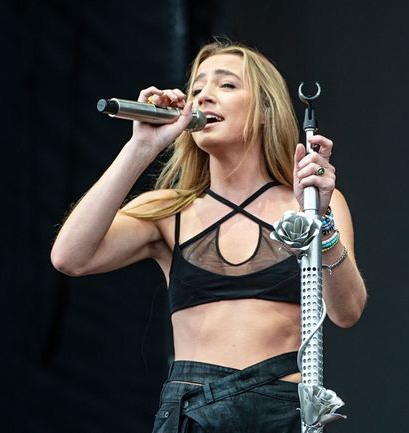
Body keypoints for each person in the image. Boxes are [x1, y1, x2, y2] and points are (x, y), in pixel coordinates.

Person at [50, 40, 367, 433]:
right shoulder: (170, 211)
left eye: (226, 85)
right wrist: (140, 148)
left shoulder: (313, 201)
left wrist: (322, 224)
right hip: (192, 409)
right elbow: (70, 257)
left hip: (280, 410)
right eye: (197, 89)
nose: (204, 97)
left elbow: (347, 311)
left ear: (266, 110)